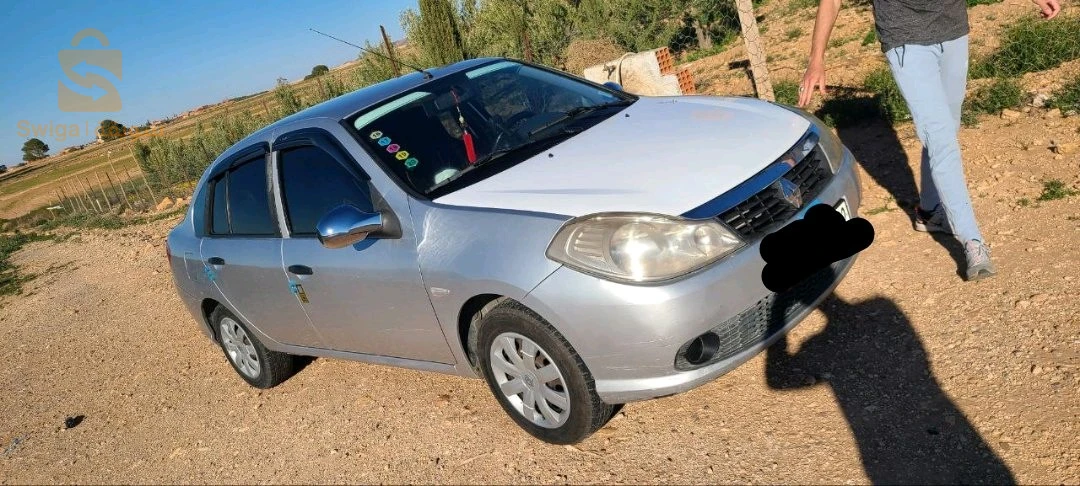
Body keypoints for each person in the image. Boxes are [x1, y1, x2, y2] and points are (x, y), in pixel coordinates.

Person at [797, 0, 1061, 281]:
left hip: (952, 30)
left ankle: (931, 210)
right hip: (905, 39)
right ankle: (972, 240)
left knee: (947, 127)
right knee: (941, 139)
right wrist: (816, 59)